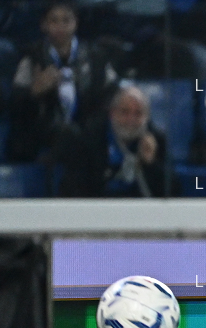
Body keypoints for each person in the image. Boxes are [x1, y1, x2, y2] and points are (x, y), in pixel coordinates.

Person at [8, 0, 118, 164]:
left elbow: (113, 96)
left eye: (66, 20)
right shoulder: (31, 58)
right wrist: (33, 92)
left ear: (75, 23)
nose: (60, 27)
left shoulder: (96, 57)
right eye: (54, 21)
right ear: (44, 25)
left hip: (87, 135)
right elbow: (14, 108)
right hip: (42, 137)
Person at [58, 85, 170, 198]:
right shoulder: (89, 139)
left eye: (138, 113)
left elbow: (172, 193)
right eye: (124, 112)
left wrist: (151, 163)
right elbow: (72, 187)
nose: (131, 119)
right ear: (112, 113)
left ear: (147, 117)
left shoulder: (157, 141)